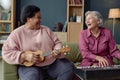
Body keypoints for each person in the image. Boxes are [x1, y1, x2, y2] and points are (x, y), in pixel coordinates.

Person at [2, 5, 74, 80]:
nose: (41, 20)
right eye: (38, 17)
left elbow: (57, 43)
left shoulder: (46, 30)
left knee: (68, 67)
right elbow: (6, 52)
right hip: (29, 67)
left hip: (52, 64)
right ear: (29, 18)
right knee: (32, 77)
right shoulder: (16, 33)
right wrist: (24, 56)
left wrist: (57, 50)